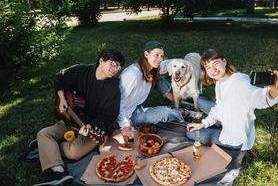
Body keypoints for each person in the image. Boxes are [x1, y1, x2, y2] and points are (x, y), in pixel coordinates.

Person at [34, 49, 125, 186]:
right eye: (112, 64)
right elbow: (59, 76)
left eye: (118, 66)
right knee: (43, 134)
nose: (115, 69)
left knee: (74, 152)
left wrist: (92, 126)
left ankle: (47, 148)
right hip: (72, 119)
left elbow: (109, 118)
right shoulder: (81, 71)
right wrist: (62, 98)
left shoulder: (113, 89)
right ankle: (59, 173)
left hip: (93, 128)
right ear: (101, 60)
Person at [186, 49, 278, 151]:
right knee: (200, 101)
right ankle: (192, 104)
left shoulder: (241, 82)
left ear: (224, 62)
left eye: (215, 63)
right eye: (208, 68)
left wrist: (273, 93)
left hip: (236, 140)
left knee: (190, 133)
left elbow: (259, 98)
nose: (213, 70)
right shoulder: (220, 82)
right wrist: (203, 124)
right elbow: (219, 107)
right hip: (227, 123)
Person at [118, 40, 209, 138]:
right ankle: (183, 112)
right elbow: (118, 103)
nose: (160, 59)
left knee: (158, 79)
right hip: (129, 115)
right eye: (156, 55)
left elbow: (166, 64)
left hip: (138, 104)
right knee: (165, 113)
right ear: (146, 54)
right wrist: (125, 124)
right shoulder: (131, 75)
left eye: (161, 56)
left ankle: (177, 100)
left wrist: (184, 63)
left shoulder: (151, 67)